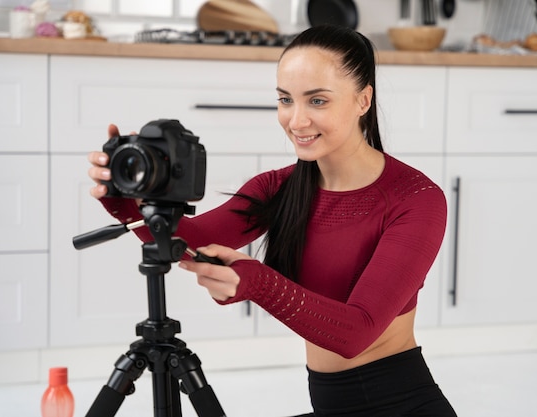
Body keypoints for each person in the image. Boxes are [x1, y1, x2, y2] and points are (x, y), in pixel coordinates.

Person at [88, 25, 457, 417]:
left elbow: (358, 333)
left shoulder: (416, 199)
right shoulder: (280, 187)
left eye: (317, 100)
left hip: (401, 405)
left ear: (363, 100)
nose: (296, 121)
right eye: (285, 99)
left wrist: (255, 281)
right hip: (330, 405)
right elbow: (189, 241)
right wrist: (125, 202)